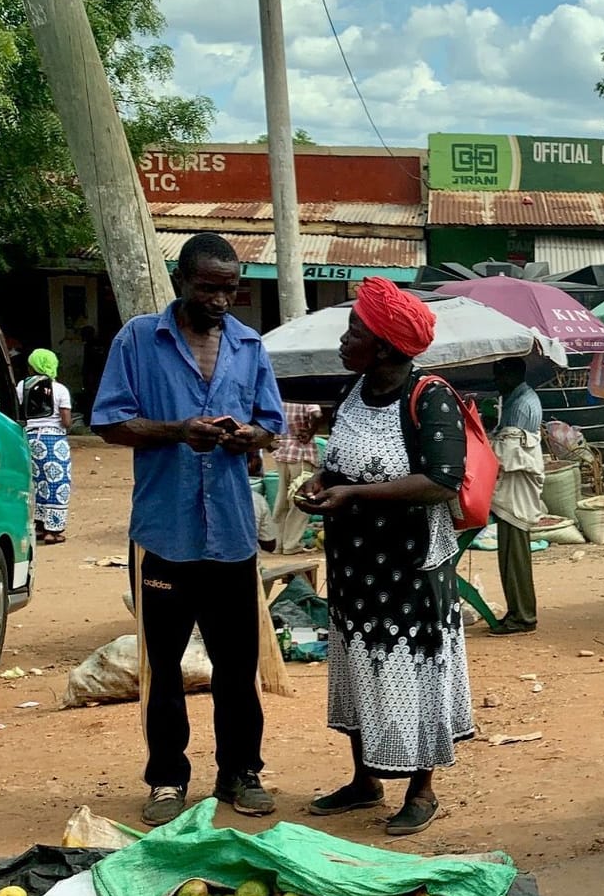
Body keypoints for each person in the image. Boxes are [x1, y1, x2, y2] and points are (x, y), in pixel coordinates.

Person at [92, 232, 285, 825]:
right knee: (164, 666)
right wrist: (178, 430)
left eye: (231, 289)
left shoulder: (250, 346)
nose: (221, 300)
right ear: (181, 281)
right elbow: (108, 422)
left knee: (236, 664)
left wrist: (251, 437)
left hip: (230, 534)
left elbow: (271, 424)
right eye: (209, 288)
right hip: (164, 533)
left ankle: (240, 773)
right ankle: (167, 780)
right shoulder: (138, 340)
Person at [299, 279, 475, 835]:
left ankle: (422, 790)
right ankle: (365, 779)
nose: (344, 340)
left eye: (355, 331)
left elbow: (443, 482)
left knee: (414, 672)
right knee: (357, 667)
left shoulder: (430, 396)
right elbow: (346, 460)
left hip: (411, 569)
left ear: (385, 346)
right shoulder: (356, 390)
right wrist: (322, 480)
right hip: (355, 565)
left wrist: (353, 495)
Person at [489, 357, 545, 633]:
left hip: (515, 493)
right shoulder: (517, 398)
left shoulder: (522, 404)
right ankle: (518, 613)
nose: (496, 382)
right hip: (514, 490)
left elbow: (508, 453)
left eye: (498, 376)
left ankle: (522, 617)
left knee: (515, 559)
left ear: (510, 375)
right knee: (512, 557)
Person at [19, 348, 74, 545]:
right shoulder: (60, 389)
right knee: (58, 483)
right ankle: (54, 530)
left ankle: (40, 526)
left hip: (29, 439)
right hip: (54, 441)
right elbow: (66, 422)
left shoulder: (21, 387)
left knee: (37, 482)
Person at [271, 401, 323, 554]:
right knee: (300, 499)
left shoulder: (281, 395)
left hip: (282, 451)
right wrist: (309, 431)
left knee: (281, 499)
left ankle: (278, 544)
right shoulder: (305, 397)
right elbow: (317, 414)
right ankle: (292, 545)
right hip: (301, 452)